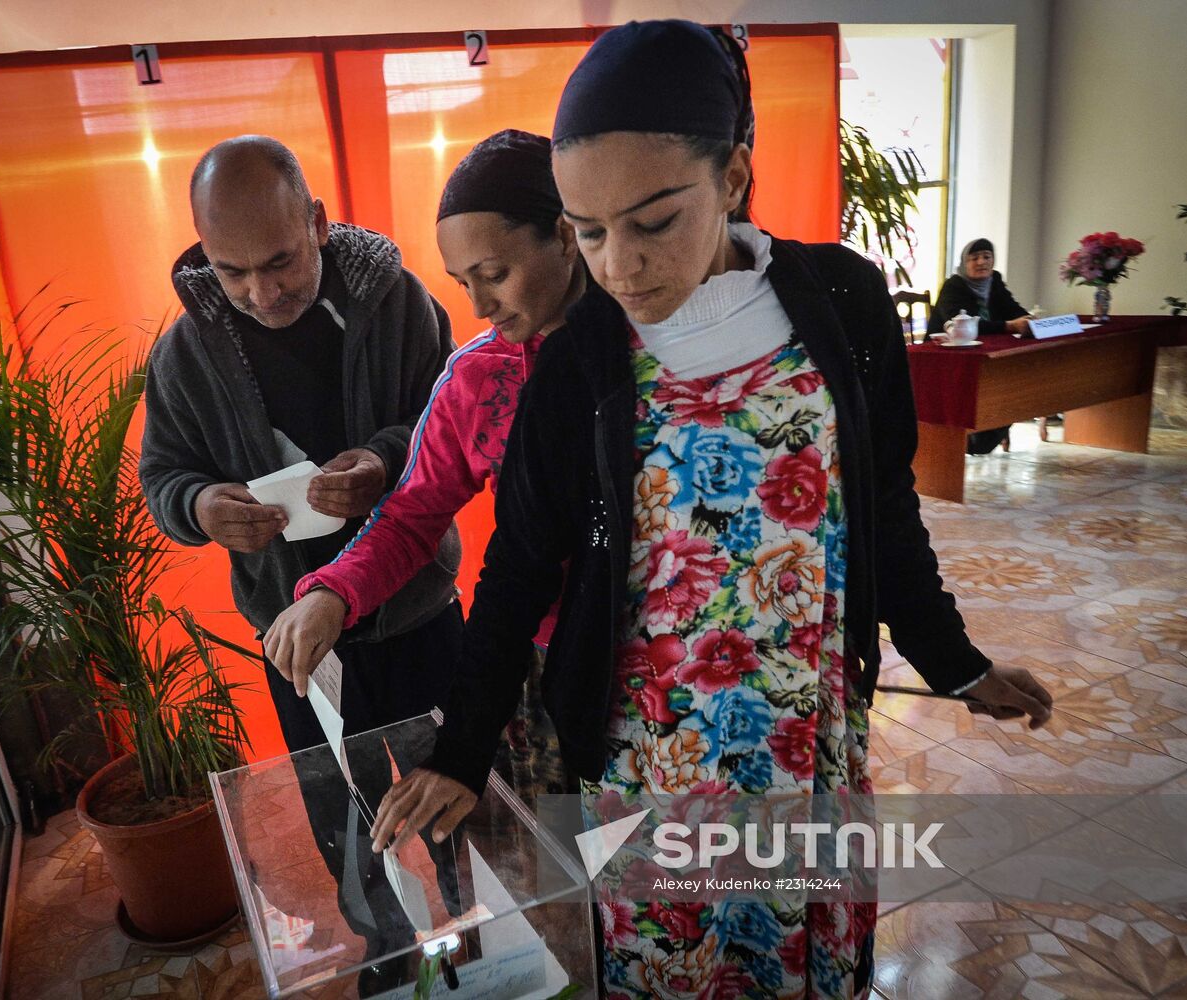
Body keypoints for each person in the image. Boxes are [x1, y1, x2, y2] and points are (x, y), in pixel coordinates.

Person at [368, 22, 1053, 999]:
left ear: (733, 177)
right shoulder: (579, 364)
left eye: (652, 222)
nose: (618, 267)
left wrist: (960, 664)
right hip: (652, 750)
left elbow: (884, 509)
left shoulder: (844, 303)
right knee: (673, 965)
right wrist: (465, 752)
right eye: (588, 232)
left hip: (806, 730)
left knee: (805, 960)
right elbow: (517, 565)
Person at [138, 135, 464, 975]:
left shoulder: (400, 306)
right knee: (341, 807)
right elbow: (164, 477)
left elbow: (450, 430)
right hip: (294, 634)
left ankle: (479, 927)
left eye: (280, 262)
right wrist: (203, 507)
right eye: (231, 270)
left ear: (318, 223)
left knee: (460, 783)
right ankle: (386, 950)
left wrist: (382, 461)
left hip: (419, 607)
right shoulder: (182, 354)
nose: (261, 291)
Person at [265, 129, 586, 806]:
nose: (478, 307)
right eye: (463, 283)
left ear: (564, 234)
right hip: (541, 661)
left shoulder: (651, 351)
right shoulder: (478, 377)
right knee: (569, 866)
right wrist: (332, 592)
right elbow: (411, 516)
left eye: (494, 275)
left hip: (676, 659)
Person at [930, 237, 1032, 453]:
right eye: (974, 257)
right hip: (947, 357)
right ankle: (973, 439)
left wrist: (1029, 319)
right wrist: (1010, 326)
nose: (981, 262)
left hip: (984, 354)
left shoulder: (994, 281)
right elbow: (968, 326)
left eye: (987, 256)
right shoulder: (954, 286)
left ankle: (985, 435)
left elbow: (1012, 308)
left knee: (1014, 379)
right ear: (964, 262)